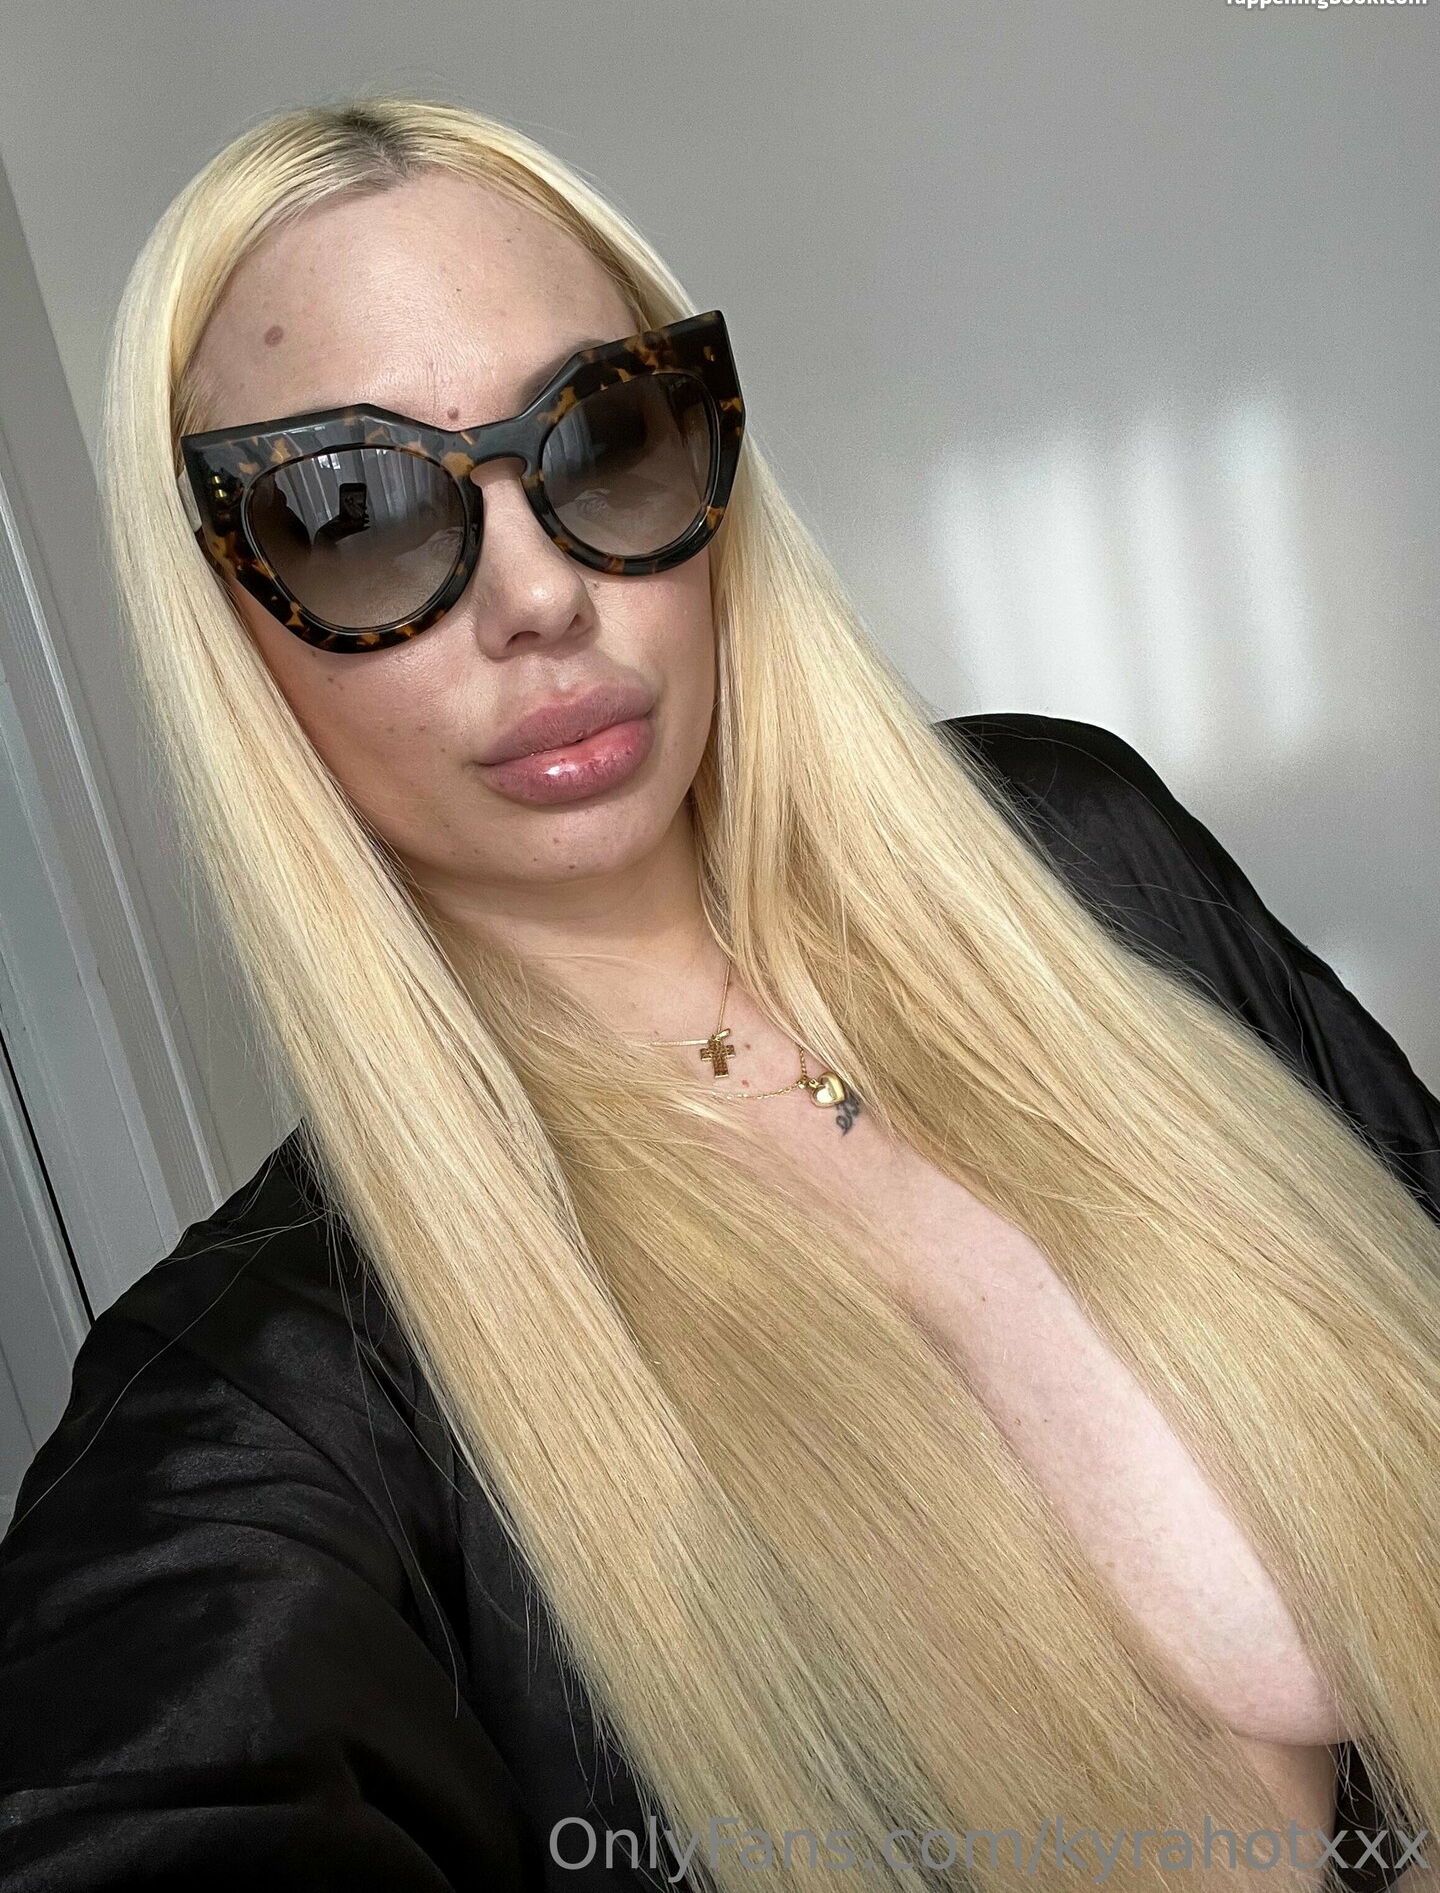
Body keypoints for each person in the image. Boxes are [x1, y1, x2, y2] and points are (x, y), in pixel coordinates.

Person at [0, 96, 1437, 1893]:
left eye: (601, 436)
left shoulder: (1082, 857)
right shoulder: (278, 1393)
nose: (539, 597)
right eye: (352, 510)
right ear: (228, 616)